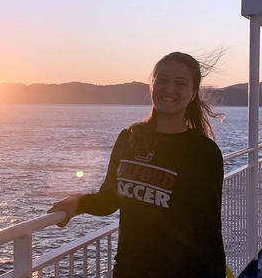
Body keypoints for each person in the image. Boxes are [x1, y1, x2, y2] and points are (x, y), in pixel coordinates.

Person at [48, 52, 225, 277]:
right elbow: (109, 199)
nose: (169, 88)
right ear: (152, 85)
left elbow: (208, 231)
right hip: (129, 270)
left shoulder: (203, 152)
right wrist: (77, 204)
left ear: (192, 94)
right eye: (162, 80)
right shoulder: (129, 138)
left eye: (180, 83)